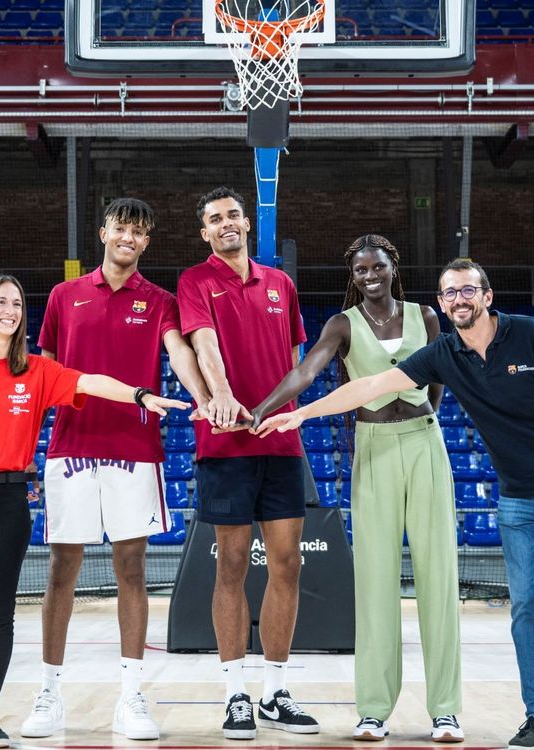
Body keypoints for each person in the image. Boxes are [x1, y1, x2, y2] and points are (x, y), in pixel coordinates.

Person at [256, 259, 534, 750]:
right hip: (517, 500)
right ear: (442, 303)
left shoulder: (530, 333)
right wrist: (302, 416)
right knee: (525, 610)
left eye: (467, 290)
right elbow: (371, 386)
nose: (459, 299)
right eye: (449, 293)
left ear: (486, 295)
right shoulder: (444, 353)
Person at [0, 274, 188, 750]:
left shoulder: (37, 372)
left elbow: (90, 381)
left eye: (18, 304)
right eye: (1, 301)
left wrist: (139, 395)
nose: (10, 310)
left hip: (8, 501)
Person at [248, 235, 464, 743]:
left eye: (378, 267)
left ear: (394, 268)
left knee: (438, 578)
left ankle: (446, 710)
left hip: (424, 442)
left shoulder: (425, 317)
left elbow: (434, 385)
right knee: (374, 582)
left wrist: (420, 417)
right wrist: (266, 407)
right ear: (354, 275)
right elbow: (307, 369)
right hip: (374, 447)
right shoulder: (342, 324)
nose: (370, 275)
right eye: (361, 269)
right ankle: (373, 710)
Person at [20, 198, 211, 741]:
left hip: (134, 448)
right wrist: (27, 451)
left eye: (139, 232)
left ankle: (131, 697)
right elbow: (46, 375)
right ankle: (49, 692)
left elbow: (177, 352)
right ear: (103, 231)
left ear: (147, 243)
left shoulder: (160, 301)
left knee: (132, 569)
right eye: (121, 227)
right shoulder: (64, 295)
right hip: (71, 448)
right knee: (62, 571)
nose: (128, 237)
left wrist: (200, 394)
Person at [176, 186, 320, 740]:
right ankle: (236, 693)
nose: (227, 223)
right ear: (205, 232)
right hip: (226, 443)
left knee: (287, 565)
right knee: (231, 565)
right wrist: (225, 396)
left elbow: (293, 362)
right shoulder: (196, 281)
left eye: (234, 215)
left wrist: (284, 412)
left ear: (246, 223)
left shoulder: (281, 282)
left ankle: (275, 692)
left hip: (280, 442)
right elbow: (204, 346)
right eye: (215, 219)